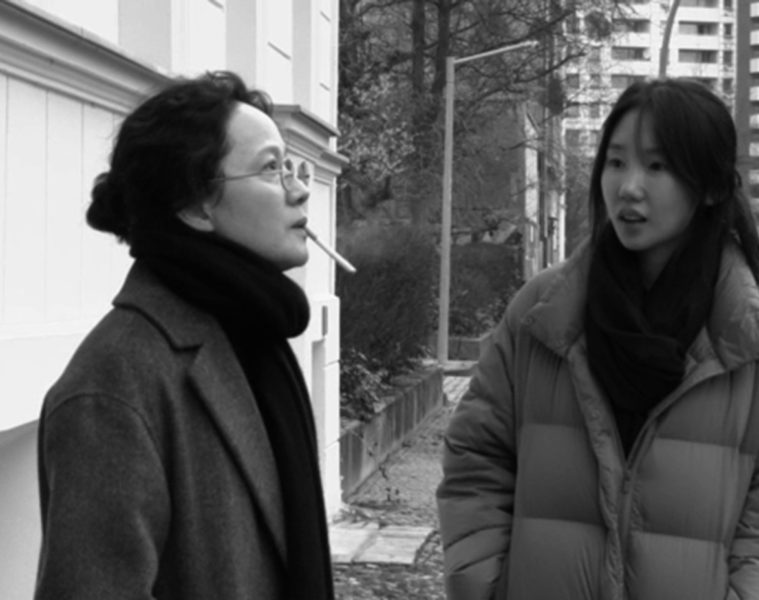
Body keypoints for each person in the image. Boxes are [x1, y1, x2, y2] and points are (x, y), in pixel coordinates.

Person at [436, 77, 759, 600]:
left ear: (712, 186)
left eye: (657, 166)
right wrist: (483, 584)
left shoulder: (745, 332)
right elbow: (477, 454)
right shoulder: (542, 313)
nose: (628, 187)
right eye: (616, 162)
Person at [34, 71, 334, 600]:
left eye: (292, 166)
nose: (300, 188)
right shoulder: (114, 384)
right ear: (196, 206)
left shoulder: (253, 338)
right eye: (271, 168)